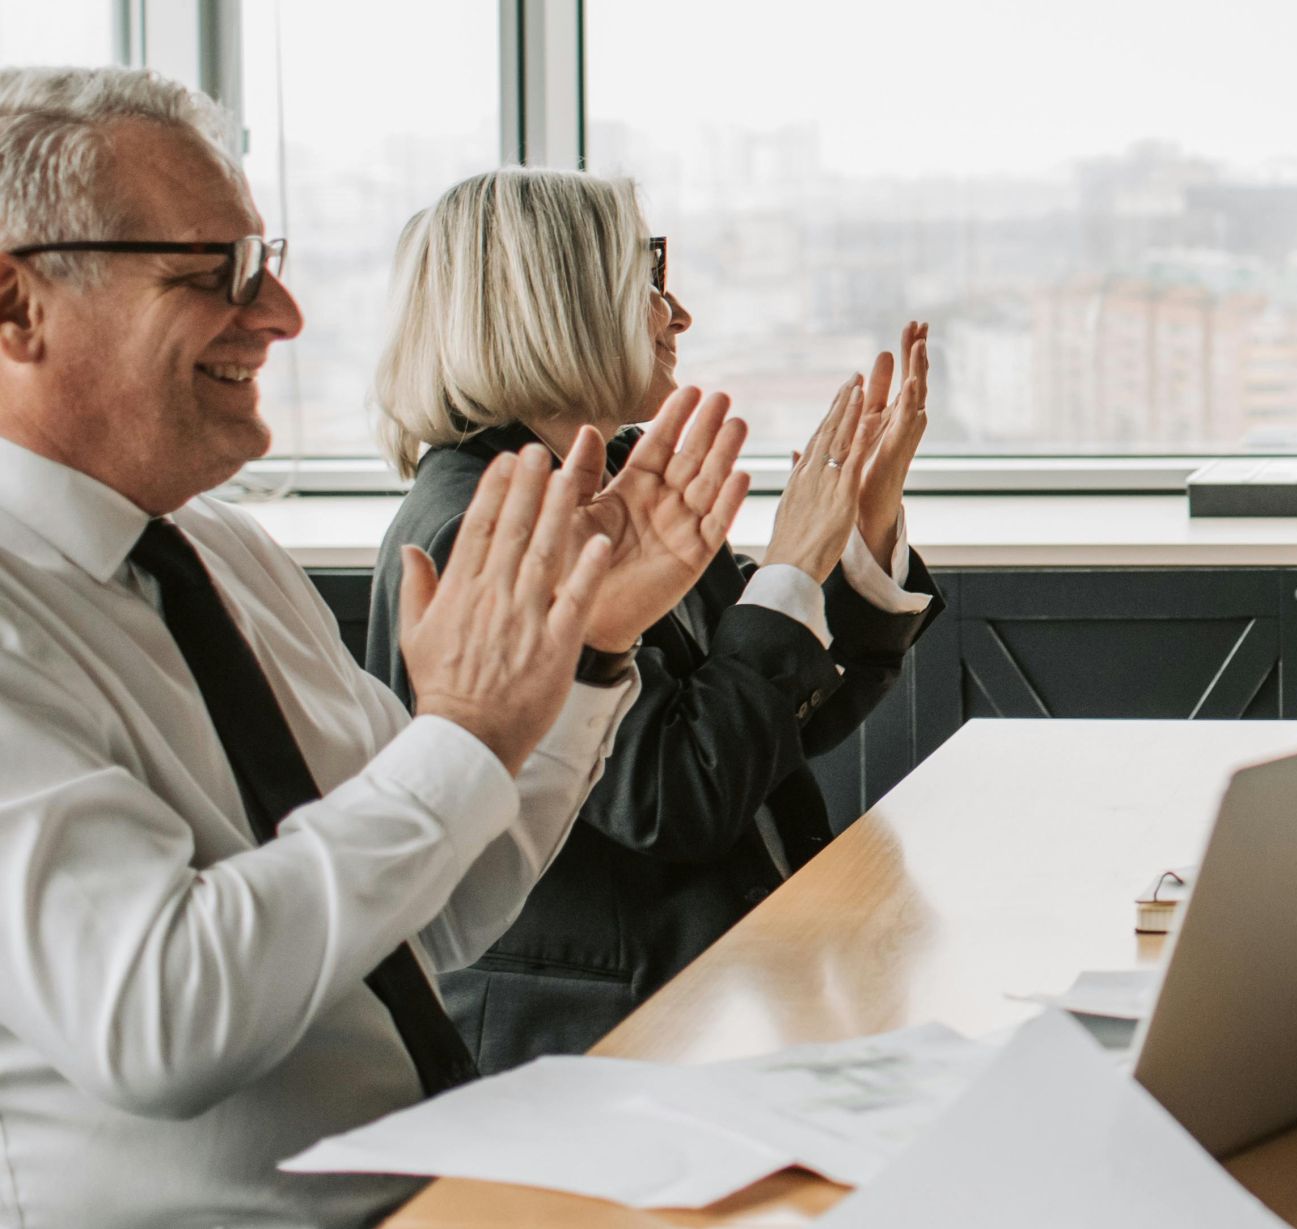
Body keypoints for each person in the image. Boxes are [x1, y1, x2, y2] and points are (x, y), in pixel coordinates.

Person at [0, 67, 749, 1227]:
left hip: (446, 1187)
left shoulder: (227, 555)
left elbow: (437, 905)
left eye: (273, 260)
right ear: (16, 306)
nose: (283, 315)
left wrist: (594, 650)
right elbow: (156, 1019)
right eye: (220, 272)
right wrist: (457, 737)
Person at [364, 169, 945, 1073]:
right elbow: (676, 797)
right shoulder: (479, 523)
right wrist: (791, 565)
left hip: (728, 996)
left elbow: (772, 725)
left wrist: (852, 536)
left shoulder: (622, 471)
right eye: (648, 278)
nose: (677, 315)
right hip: (595, 1051)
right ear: (555, 304)